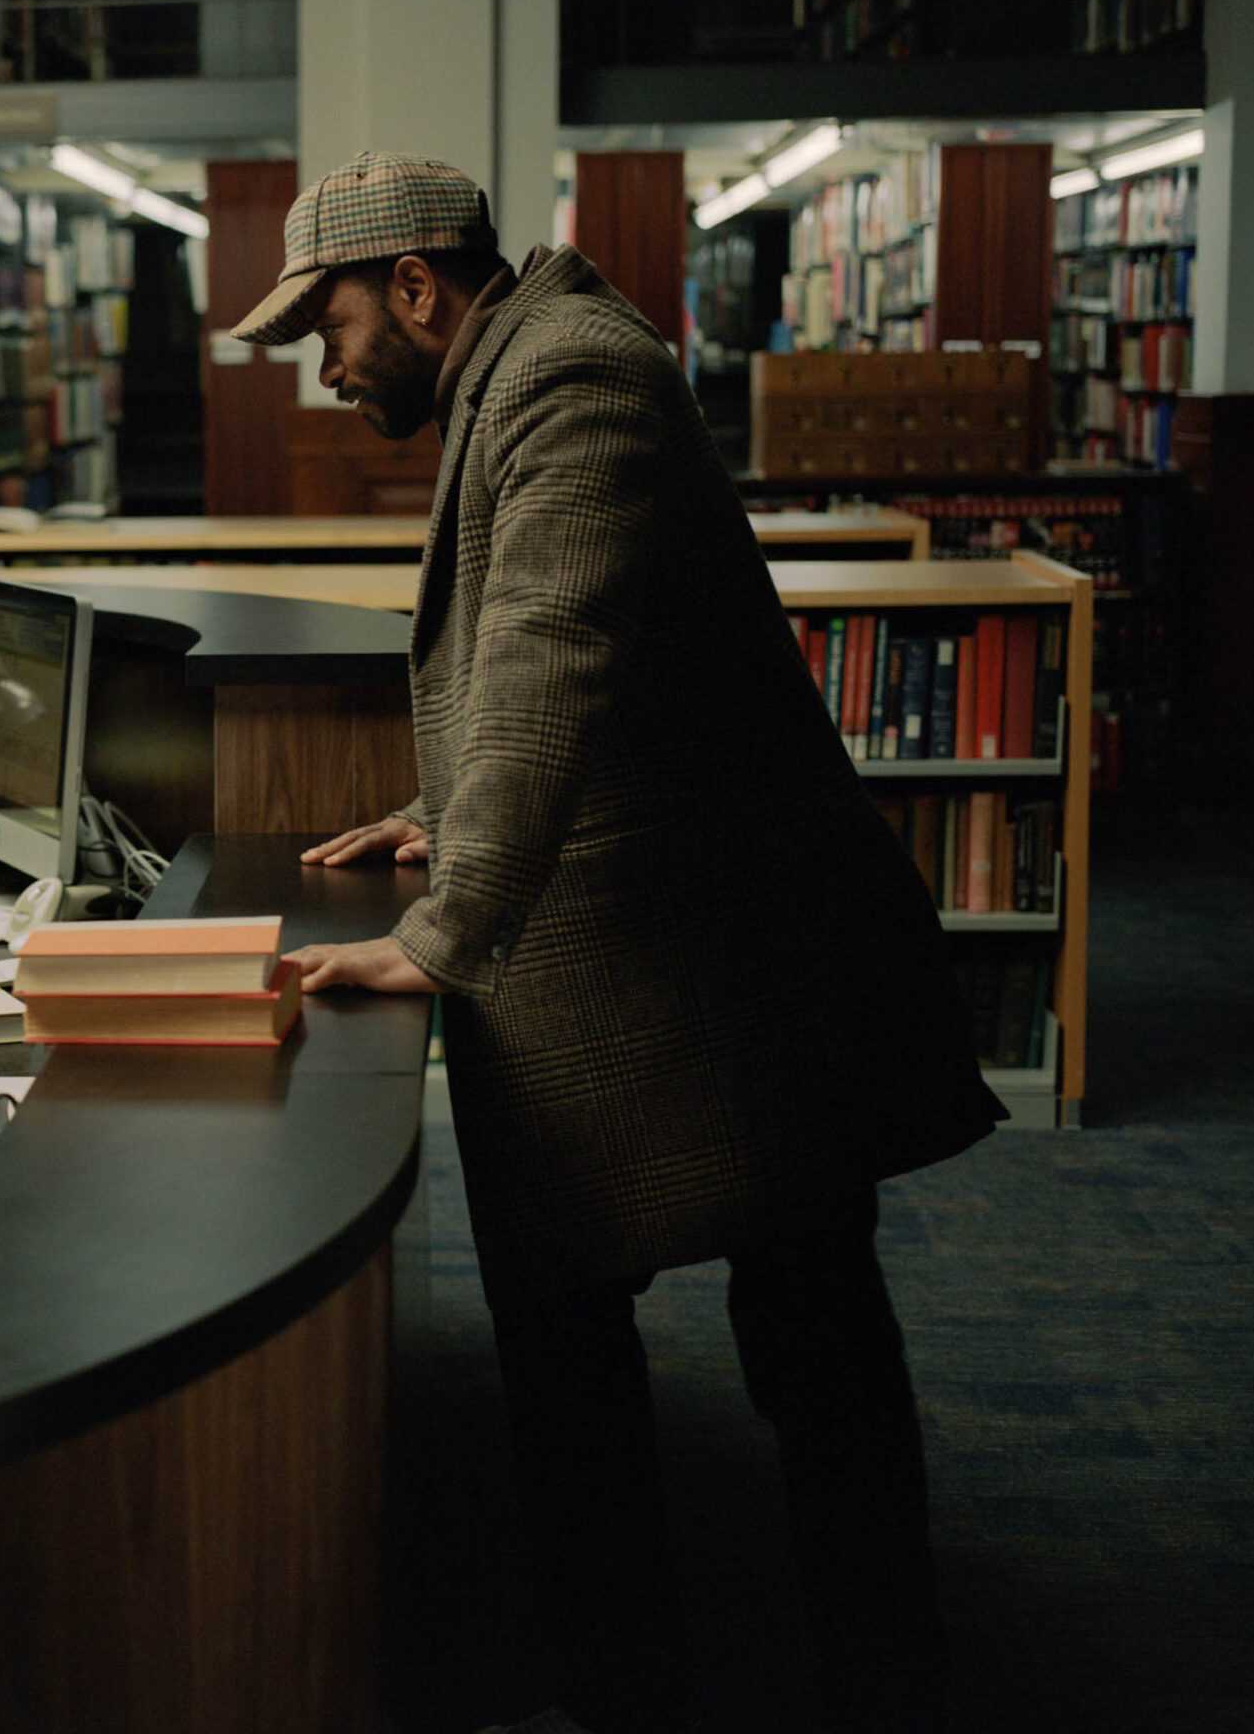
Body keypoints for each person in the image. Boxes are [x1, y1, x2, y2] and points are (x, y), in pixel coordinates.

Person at [237, 151, 1004, 1734]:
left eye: (327, 325)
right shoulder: (528, 367)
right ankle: (690, 1658)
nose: (323, 367)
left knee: (792, 1333)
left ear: (419, 288)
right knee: (700, 1322)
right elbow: (597, 672)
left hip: (734, 970)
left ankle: (818, 1672)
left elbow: (551, 652)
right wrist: (440, 811)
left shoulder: (575, 379)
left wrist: (441, 938)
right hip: (673, 946)